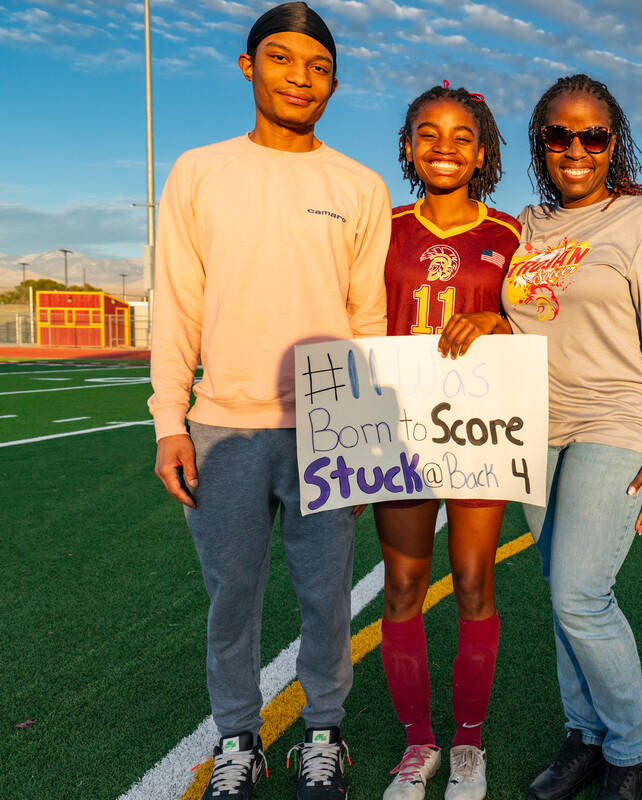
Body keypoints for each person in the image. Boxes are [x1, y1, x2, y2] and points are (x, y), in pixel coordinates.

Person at [148, 4, 390, 798]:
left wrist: (363, 440)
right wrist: (168, 423)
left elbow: (367, 321)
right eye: (282, 59)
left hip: (326, 425)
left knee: (325, 597)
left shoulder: (357, 184)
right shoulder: (199, 170)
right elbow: (177, 301)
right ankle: (238, 740)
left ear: (333, 82)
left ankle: (324, 733)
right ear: (248, 67)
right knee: (233, 598)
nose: (300, 76)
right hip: (224, 426)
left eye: (318, 66)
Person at [503, 74, 642, 800]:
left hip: (615, 419)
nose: (575, 148)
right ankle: (586, 734)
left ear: (615, 144)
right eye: (559, 134)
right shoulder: (527, 227)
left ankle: (634, 744)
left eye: (593, 135)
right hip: (531, 425)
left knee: (582, 592)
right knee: (558, 591)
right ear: (541, 144)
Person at [374, 83, 520, 800]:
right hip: (397, 427)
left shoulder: (511, 234)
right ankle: (416, 745)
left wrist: (499, 324)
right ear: (407, 146)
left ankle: (466, 741)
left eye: (462, 136)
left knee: (471, 582)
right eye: (427, 133)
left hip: (478, 432)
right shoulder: (383, 227)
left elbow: (541, 327)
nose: (443, 147)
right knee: (402, 585)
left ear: (484, 151)